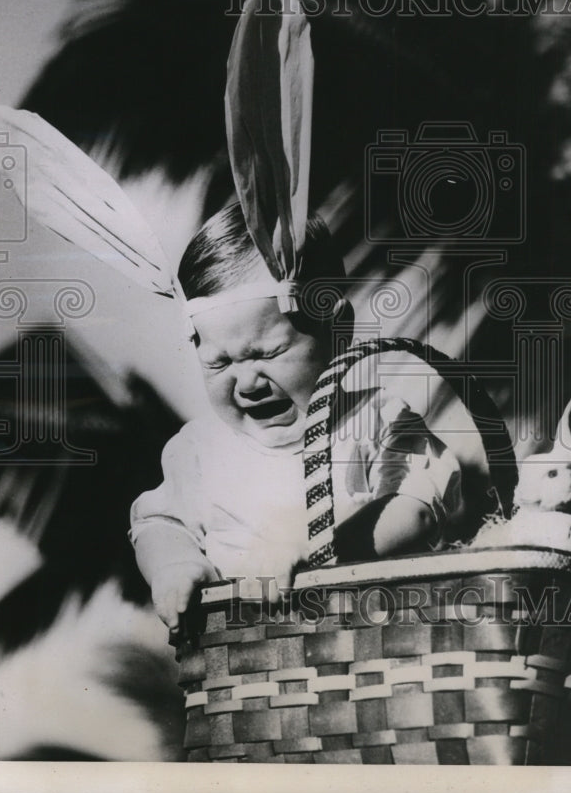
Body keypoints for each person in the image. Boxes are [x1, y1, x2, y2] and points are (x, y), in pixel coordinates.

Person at [129, 201, 464, 630]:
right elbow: (161, 521)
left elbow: (417, 508)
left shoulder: (376, 420)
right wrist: (175, 565)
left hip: (376, 644)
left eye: (269, 353)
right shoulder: (199, 452)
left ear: (337, 331)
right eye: (218, 363)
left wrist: (315, 545)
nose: (247, 382)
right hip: (246, 661)